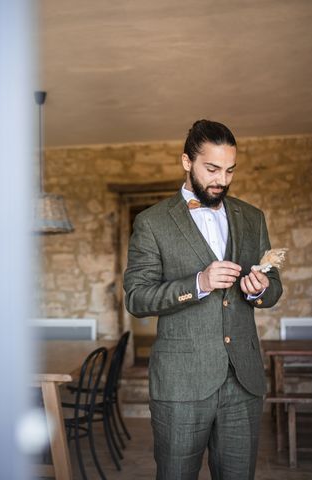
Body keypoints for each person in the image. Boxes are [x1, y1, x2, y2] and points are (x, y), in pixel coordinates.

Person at [123, 119, 283, 480]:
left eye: (229, 170)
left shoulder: (252, 217)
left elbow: (274, 287)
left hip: (243, 382)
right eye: (212, 168)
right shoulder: (152, 223)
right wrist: (198, 282)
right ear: (186, 161)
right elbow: (137, 297)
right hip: (181, 383)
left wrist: (258, 289)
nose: (221, 180)